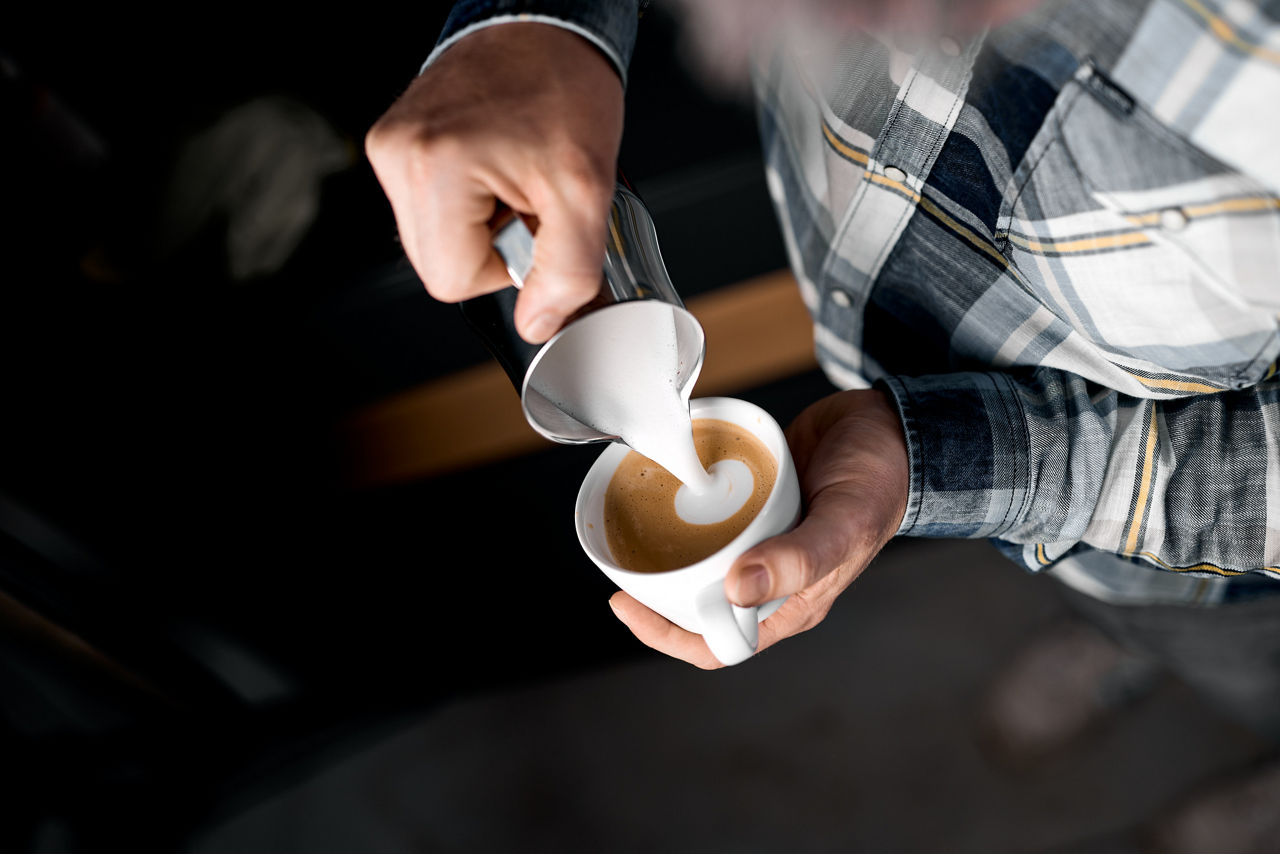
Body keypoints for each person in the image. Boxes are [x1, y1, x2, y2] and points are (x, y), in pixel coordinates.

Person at [366, 1, 1280, 849]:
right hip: (1048, 520)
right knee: (1080, 584)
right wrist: (538, 22)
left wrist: (971, 467)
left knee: (1236, 661)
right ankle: (1112, 636)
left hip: (1224, 570)